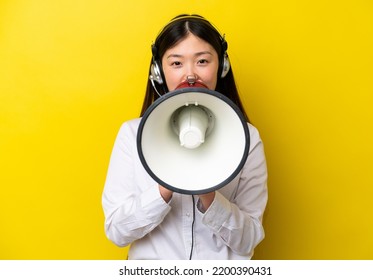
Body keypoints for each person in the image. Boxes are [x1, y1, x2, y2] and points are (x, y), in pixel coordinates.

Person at [102, 14, 268, 260]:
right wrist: (164, 186)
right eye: (176, 63)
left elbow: (248, 240)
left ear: (222, 67)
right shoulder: (131, 135)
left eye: (202, 61)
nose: (190, 75)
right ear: (158, 71)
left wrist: (207, 192)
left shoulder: (248, 138)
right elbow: (117, 232)